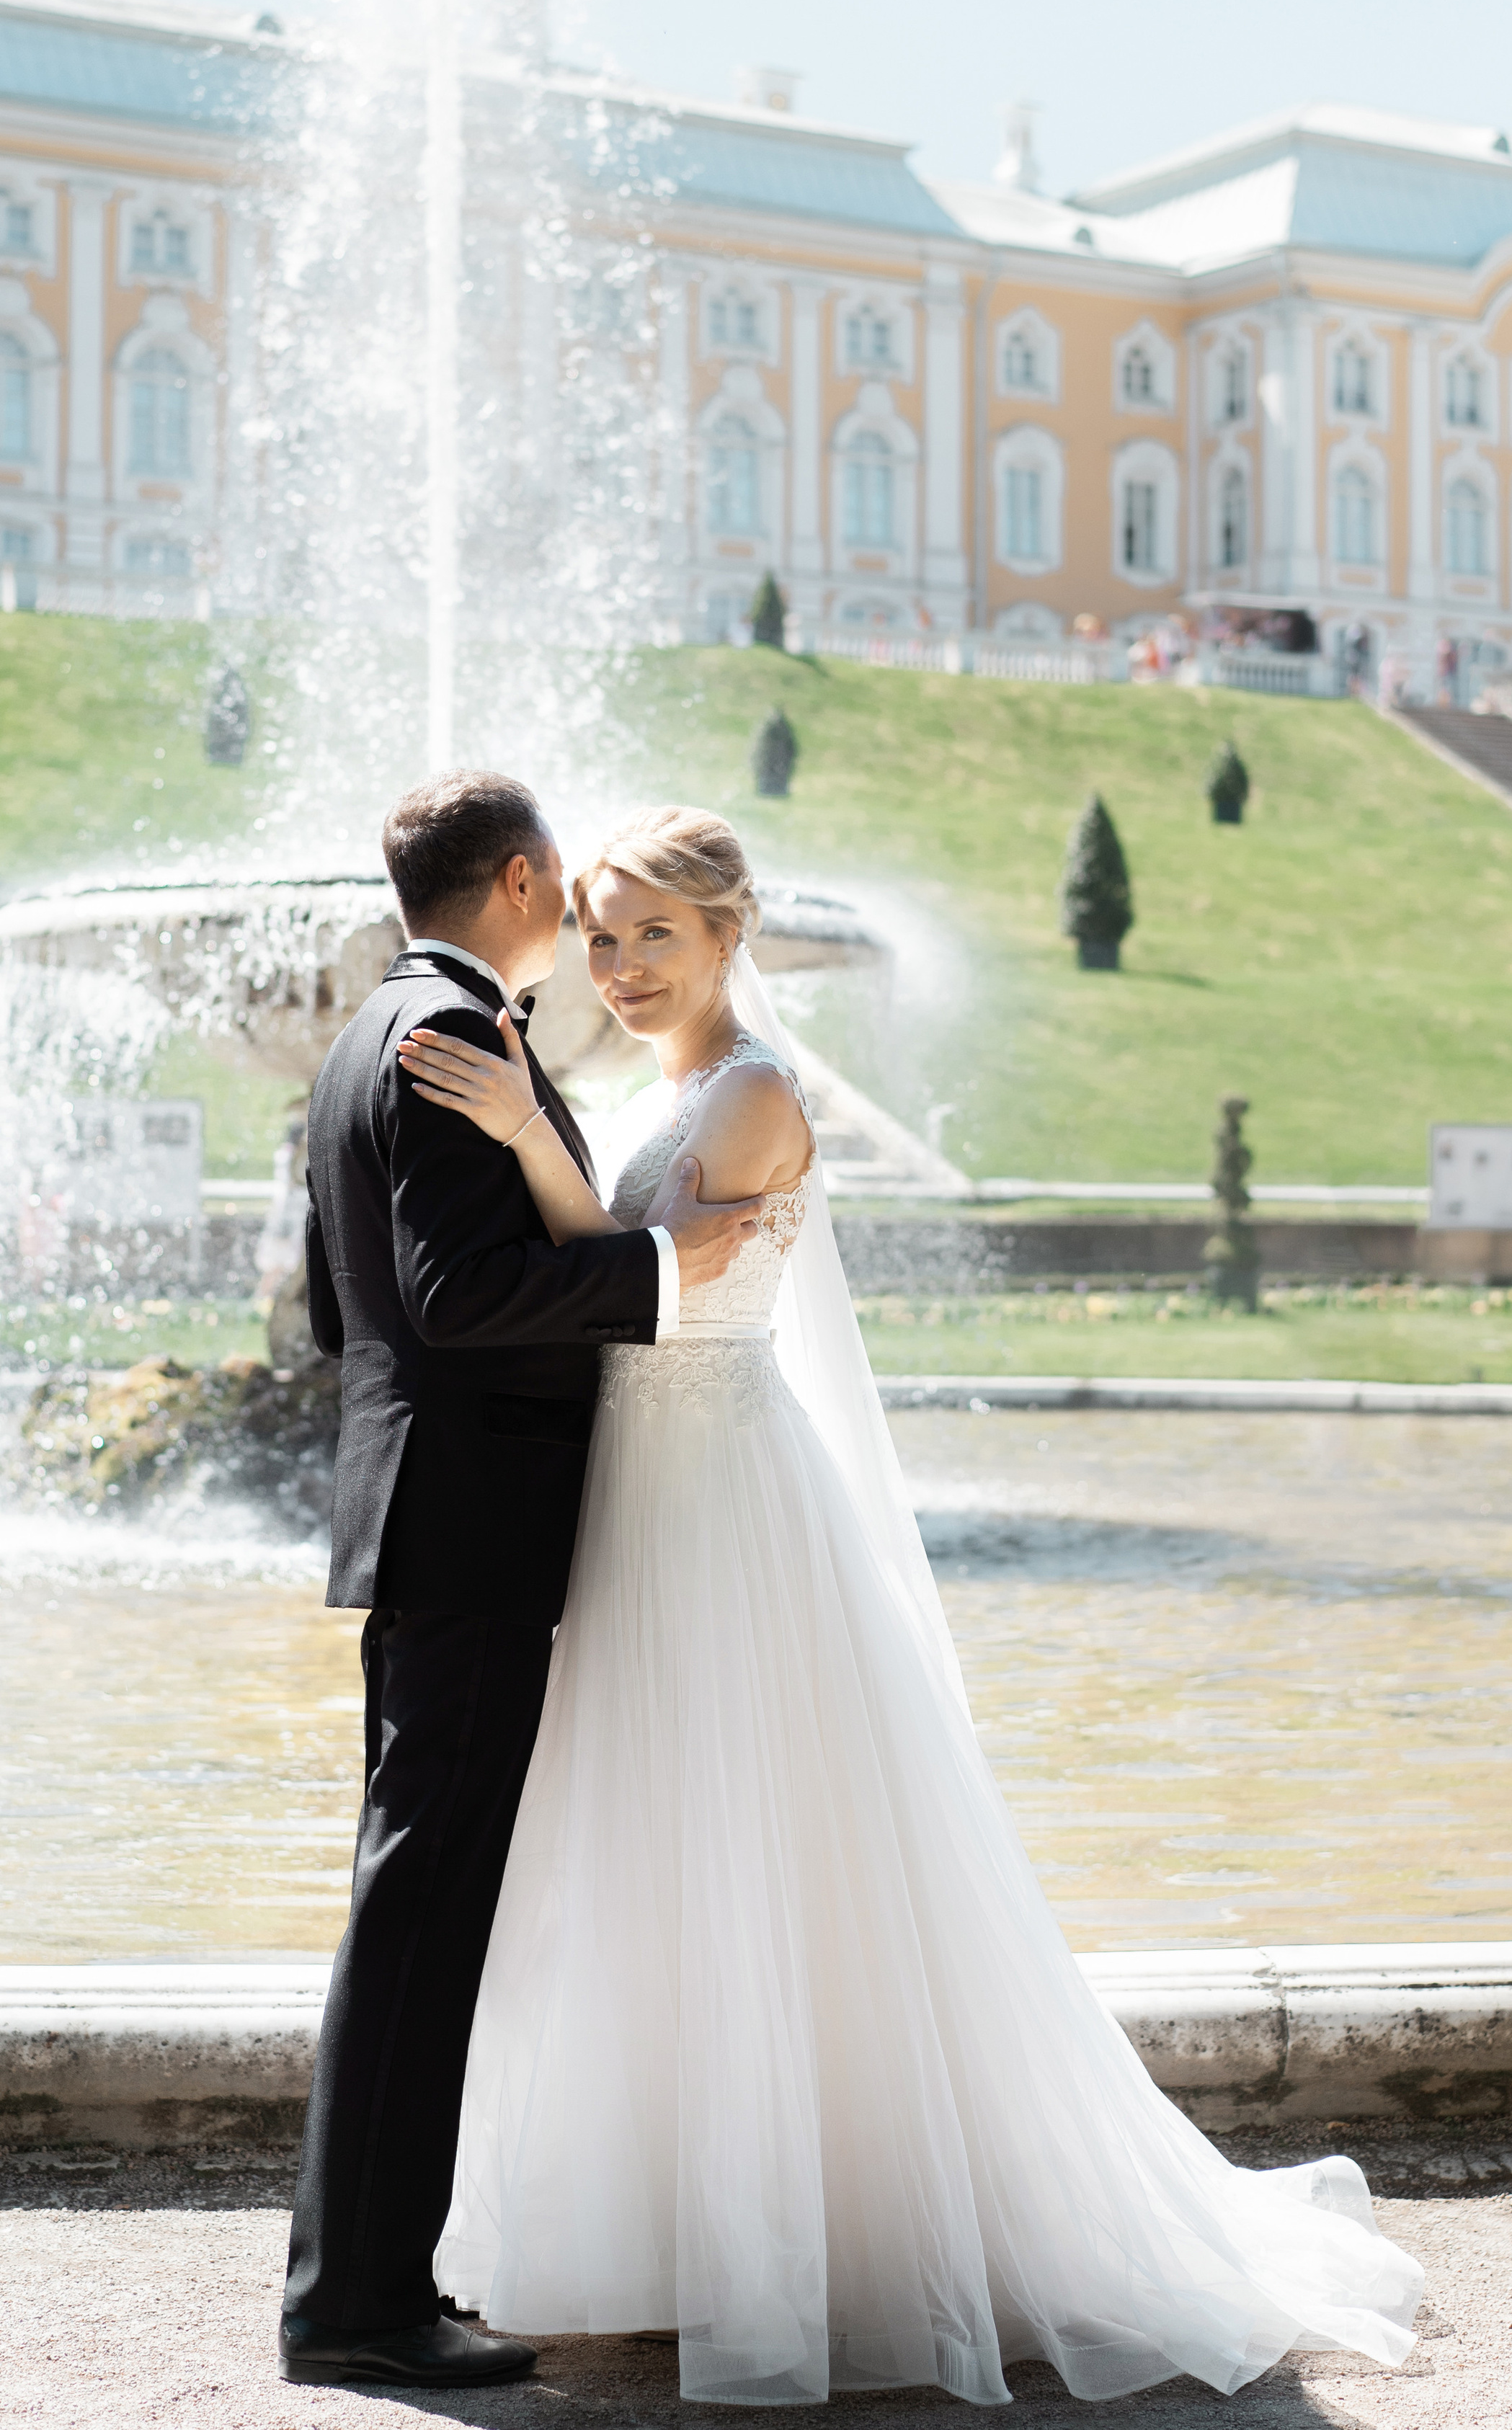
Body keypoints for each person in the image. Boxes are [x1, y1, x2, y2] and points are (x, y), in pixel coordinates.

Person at [393, 806, 1423, 2408]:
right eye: (601, 937)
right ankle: (677, 2230)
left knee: (757, 1848)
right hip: (640, 1501)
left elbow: (648, 1285)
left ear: (729, 935)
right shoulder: (662, 1092)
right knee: (653, 1847)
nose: (622, 965)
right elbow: (617, 1275)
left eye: (655, 933)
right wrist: (537, 1134)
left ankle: (811, 2240)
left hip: (720, 1502)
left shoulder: (750, 1095)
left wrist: (528, 1132)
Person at [277, 774, 765, 2393]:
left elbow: (337, 1307)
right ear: (521, 875)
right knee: (421, 1917)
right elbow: (457, 1294)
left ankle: (359, 2286)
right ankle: (357, 2308)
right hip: (474, 1526)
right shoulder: (452, 1036)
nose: (583, 923)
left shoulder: (370, 1030)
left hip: (422, 1513)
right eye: (566, 891)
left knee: (409, 1905)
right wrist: (655, 1271)